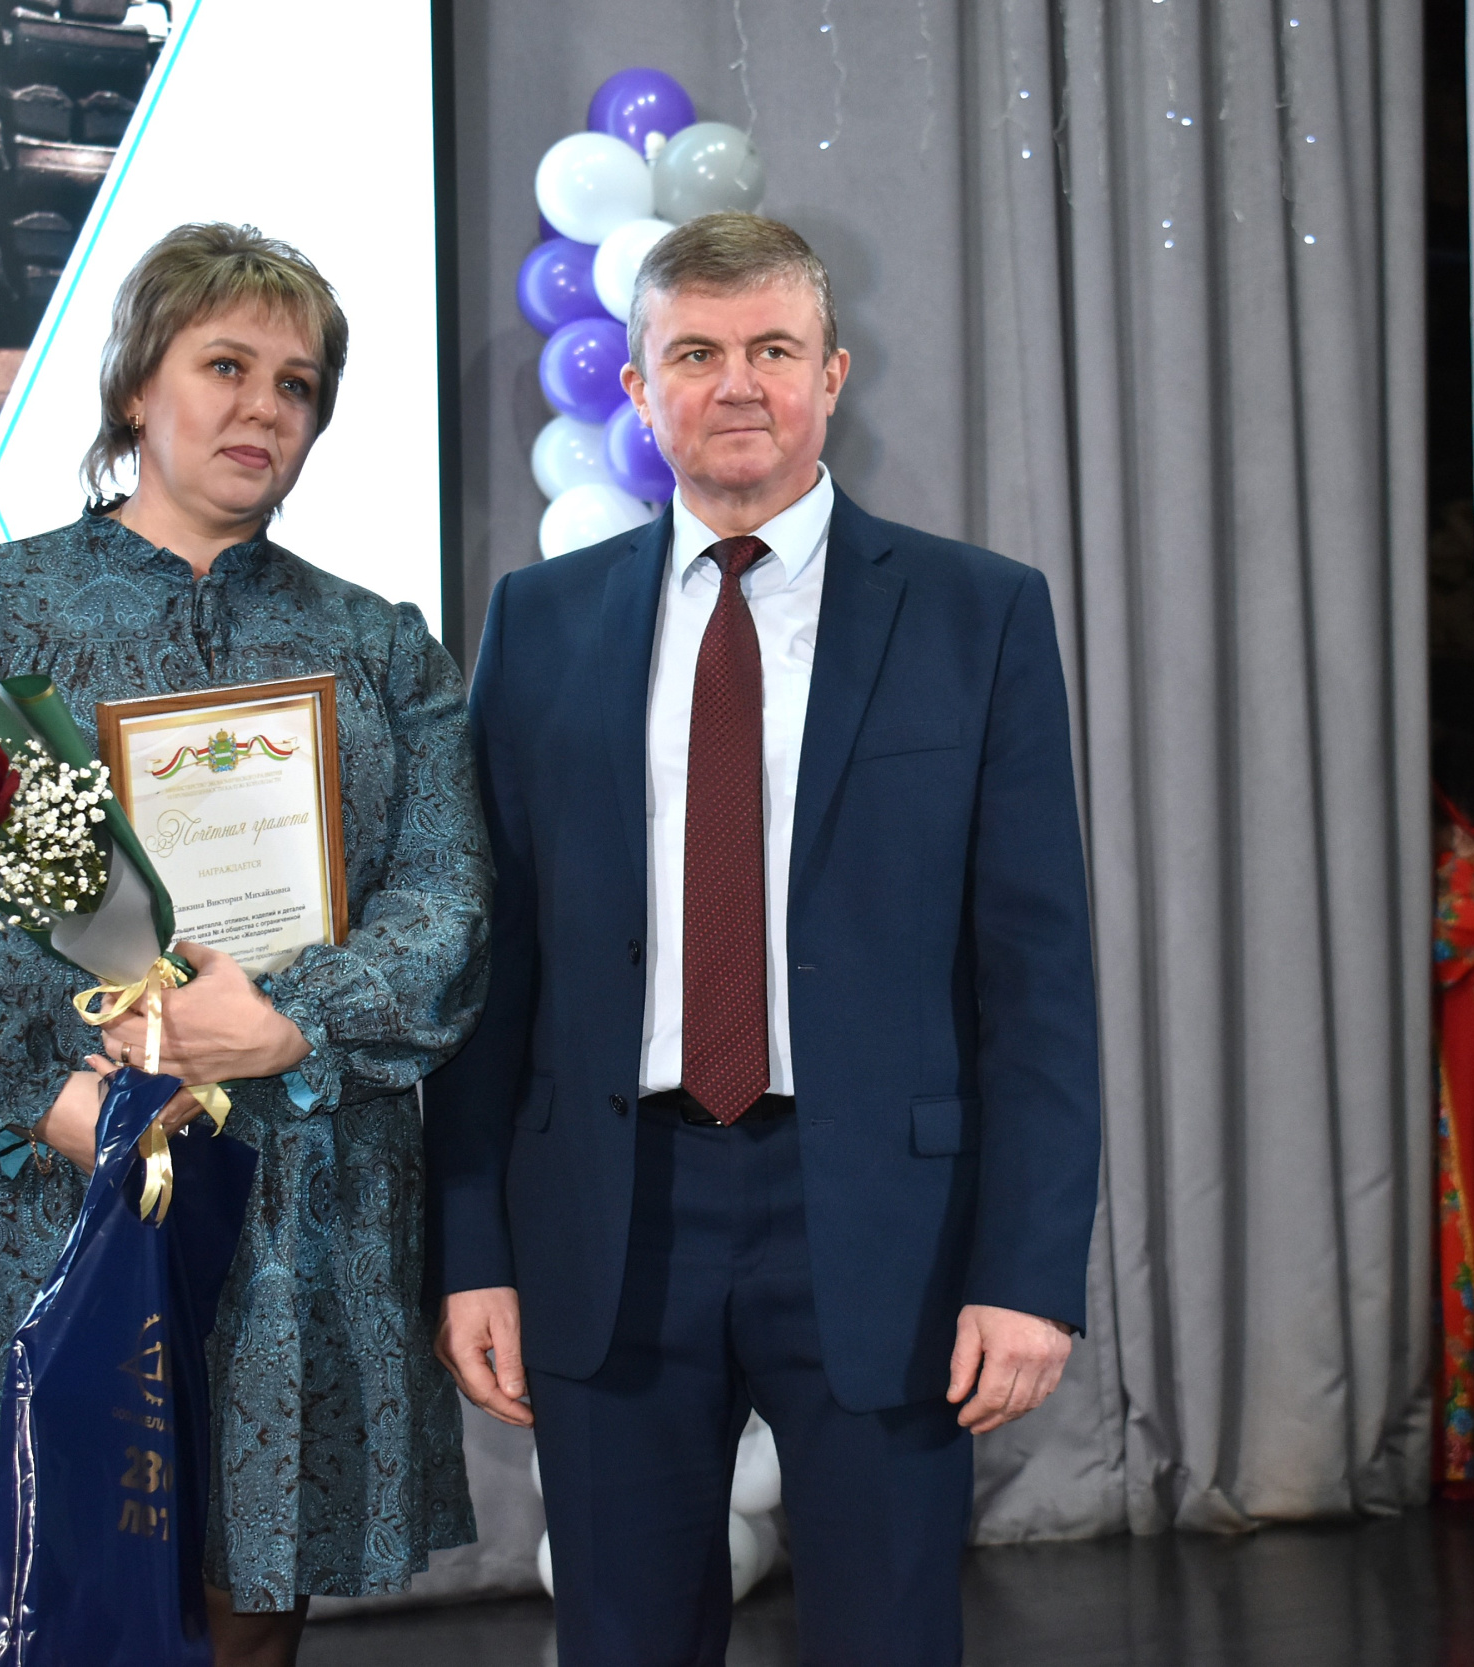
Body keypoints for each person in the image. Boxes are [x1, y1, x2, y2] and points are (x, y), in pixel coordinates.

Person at [0, 223, 489, 1667]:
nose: (263, 409)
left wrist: (291, 1023)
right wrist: (46, 1101)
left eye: (296, 385)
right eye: (225, 366)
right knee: (72, 1622)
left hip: (296, 1212)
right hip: (52, 1198)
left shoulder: (380, 647)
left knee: (251, 1631)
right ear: (133, 388)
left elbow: (449, 914)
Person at [425, 211, 1101, 1664]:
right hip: (610, 1219)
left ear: (833, 375)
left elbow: (1038, 976)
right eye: (696, 354)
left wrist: (1030, 1273)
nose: (738, 384)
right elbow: (492, 964)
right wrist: (470, 1250)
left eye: (774, 349)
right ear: (637, 387)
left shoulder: (979, 615)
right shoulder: (537, 625)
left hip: (885, 1227)